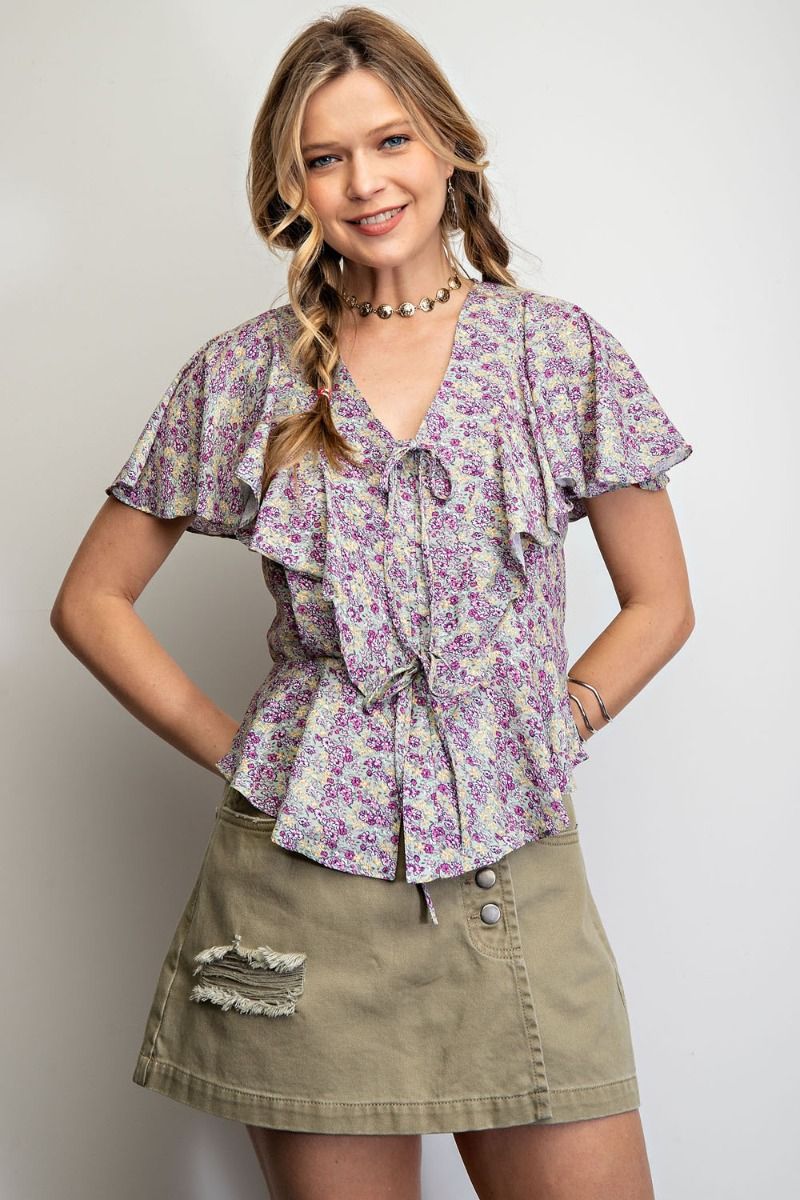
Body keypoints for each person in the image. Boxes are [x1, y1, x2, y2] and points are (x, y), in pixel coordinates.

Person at [50, 7, 695, 1199]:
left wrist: (560, 718)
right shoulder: (244, 372)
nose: (364, 182)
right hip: (300, 879)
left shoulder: (557, 354)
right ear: (290, 186)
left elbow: (658, 602)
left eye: (390, 140)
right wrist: (244, 753)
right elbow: (92, 600)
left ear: (447, 145)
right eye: (324, 157)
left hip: (514, 863)